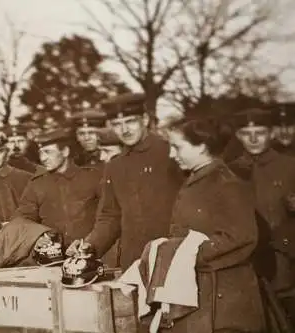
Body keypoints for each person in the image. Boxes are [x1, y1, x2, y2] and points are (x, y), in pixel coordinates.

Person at [145, 116, 264, 332]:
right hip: (200, 292)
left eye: (177, 147)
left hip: (223, 302)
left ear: (201, 146)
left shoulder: (227, 183)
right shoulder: (197, 179)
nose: (172, 155)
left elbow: (242, 237)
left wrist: (181, 254)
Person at [67, 92, 182, 269]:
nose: (125, 130)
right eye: (117, 124)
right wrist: (90, 245)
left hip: (174, 257)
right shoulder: (115, 166)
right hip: (134, 261)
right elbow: (110, 216)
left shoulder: (171, 154)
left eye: (130, 121)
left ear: (144, 119)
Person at [228, 108, 295, 326]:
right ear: (238, 136)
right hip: (245, 265)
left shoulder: (290, 167)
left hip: (286, 266)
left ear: (272, 133)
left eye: (260, 132)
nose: (254, 138)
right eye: (247, 133)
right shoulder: (229, 172)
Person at [11, 128, 109, 262]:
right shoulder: (37, 184)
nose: (43, 158)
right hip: (52, 259)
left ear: (65, 152)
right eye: (40, 153)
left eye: (48, 152)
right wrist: (36, 237)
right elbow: (22, 218)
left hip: (90, 255)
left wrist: (91, 243)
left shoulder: (93, 178)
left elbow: (108, 216)